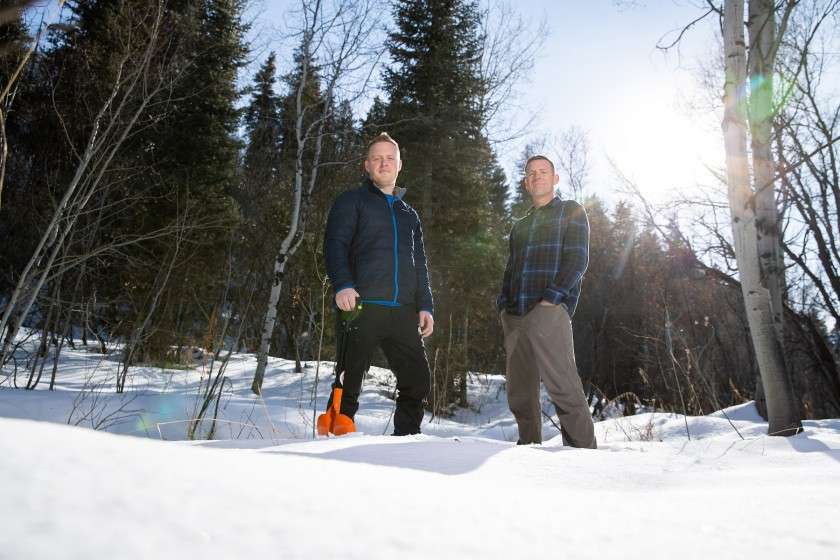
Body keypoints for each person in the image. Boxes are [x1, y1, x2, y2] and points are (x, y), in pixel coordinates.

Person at [323, 132, 434, 436]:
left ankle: (406, 440)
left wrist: (425, 306)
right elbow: (335, 244)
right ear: (367, 165)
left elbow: (420, 264)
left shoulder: (409, 214)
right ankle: (336, 433)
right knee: (349, 376)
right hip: (361, 305)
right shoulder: (352, 201)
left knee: (418, 379)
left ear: (399, 164)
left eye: (390, 158)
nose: (384, 163)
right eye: (377, 158)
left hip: (403, 310)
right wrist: (343, 284)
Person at [497, 155, 597, 448]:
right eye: (531, 173)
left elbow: (578, 259)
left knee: (564, 387)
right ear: (526, 183)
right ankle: (529, 452)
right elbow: (510, 270)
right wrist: (503, 306)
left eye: (543, 171)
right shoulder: (519, 226)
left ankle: (584, 454)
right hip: (514, 315)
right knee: (520, 393)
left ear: (555, 179)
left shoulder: (571, 211)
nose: (537, 176)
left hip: (548, 312)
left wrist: (553, 298)